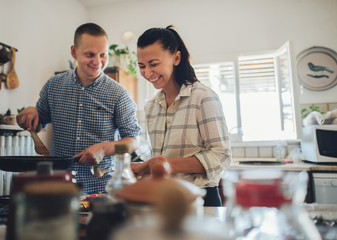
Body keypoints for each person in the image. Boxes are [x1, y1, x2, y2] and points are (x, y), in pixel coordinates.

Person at [17, 23, 141, 194]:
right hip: (59, 184)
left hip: (100, 188)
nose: (98, 62)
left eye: (103, 55)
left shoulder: (119, 94)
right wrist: (30, 115)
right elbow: (38, 124)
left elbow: (133, 141)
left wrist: (104, 148)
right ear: (74, 52)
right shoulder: (53, 86)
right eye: (90, 54)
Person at [132, 26, 231, 206]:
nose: (147, 73)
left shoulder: (203, 97)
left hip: (201, 199)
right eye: (141, 66)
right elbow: (161, 161)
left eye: (153, 64)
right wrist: (145, 168)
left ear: (176, 58)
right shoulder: (151, 107)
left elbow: (222, 155)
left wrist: (165, 164)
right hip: (163, 199)